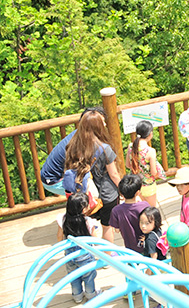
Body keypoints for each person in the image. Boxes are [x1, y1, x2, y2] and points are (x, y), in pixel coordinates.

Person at [65, 107, 121, 243]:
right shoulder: (104, 148)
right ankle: (107, 254)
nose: (105, 124)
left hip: (86, 196)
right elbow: (113, 174)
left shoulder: (73, 145)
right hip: (107, 195)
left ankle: (89, 251)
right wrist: (122, 189)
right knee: (107, 227)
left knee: (88, 225)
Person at [56, 191, 102, 303]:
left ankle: (77, 296)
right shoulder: (88, 222)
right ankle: (90, 295)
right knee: (89, 276)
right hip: (85, 255)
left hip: (70, 255)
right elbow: (95, 240)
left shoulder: (63, 219)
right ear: (83, 209)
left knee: (74, 276)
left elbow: (59, 237)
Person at [126, 121, 163, 207]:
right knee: (151, 209)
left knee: (140, 209)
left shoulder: (131, 146)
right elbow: (153, 172)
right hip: (148, 185)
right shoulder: (150, 151)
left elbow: (128, 165)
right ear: (150, 134)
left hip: (135, 184)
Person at [110, 174, 149, 251]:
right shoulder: (144, 206)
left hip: (130, 248)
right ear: (137, 193)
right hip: (147, 245)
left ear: (121, 193)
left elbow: (117, 230)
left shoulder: (116, 210)